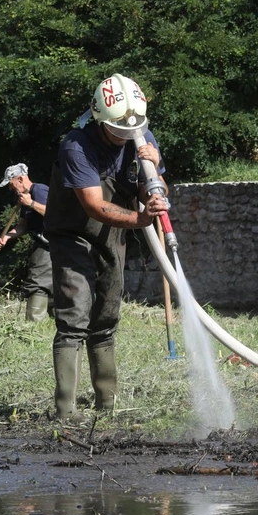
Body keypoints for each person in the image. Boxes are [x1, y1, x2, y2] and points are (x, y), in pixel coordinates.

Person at [45, 74, 169, 419]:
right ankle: (64, 411)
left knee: (107, 315)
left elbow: (154, 192)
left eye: (132, 127)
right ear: (100, 119)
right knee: (74, 315)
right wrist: (141, 220)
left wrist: (154, 176)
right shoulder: (76, 146)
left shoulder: (141, 139)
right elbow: (94, 205)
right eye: (118, 128)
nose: (126, 134)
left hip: (113, 236)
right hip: (73, 235)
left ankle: (107, 406)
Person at [0, 162, 52, 321]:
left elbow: (54, 214)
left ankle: (33, 324)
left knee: (37, 283)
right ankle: (53, 321)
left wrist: (31, 203)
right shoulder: (23, 199)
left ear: (20, 179)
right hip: (40, 244)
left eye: (11, 185)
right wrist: (6, 237)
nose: (10, 189)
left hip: (51, 245)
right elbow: (23, 225)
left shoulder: (39, 190)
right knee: (50, 284)